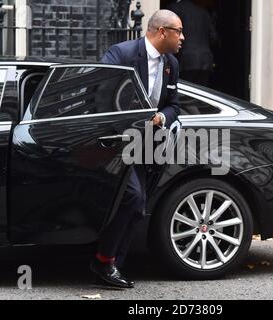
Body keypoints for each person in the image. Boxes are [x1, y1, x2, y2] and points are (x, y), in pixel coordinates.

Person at [89, 9, 184, 289]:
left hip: (145, 143)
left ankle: (110, 263)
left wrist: (161, 117)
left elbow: (174, 105)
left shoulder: (172, 64)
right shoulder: (122, 54)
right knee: (130, 198)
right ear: (162, 31)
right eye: (179, 31)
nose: (183, 37)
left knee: (138, 205)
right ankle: (104, 262)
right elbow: (100, 95)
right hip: (116, 142)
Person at [167, 0, 217, 86]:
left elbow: (170, 34)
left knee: (185, 94)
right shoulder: (203, 12)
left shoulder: (174, 8)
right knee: (202, 94)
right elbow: (213, 37)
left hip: (185, 60)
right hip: (204, 60)